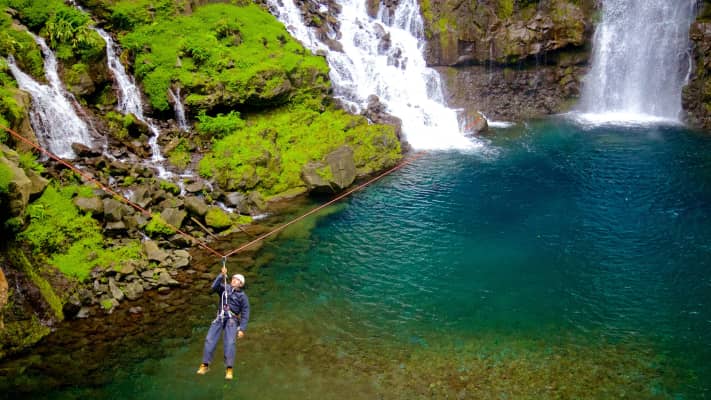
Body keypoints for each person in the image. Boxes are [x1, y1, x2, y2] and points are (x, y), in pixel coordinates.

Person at [196, 265, 250, 380]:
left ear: (241, 284)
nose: (234, 280)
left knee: (230, 342)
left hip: (232, 320)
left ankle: (229, 368)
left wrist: (242, 329)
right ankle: (205, 365)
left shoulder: (242, 297)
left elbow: (245, 313)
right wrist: (221, 275)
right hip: (220, 317)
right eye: (233, 278)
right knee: (209, 339)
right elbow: (214, 287)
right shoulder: (225, 288)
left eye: (237, 280)